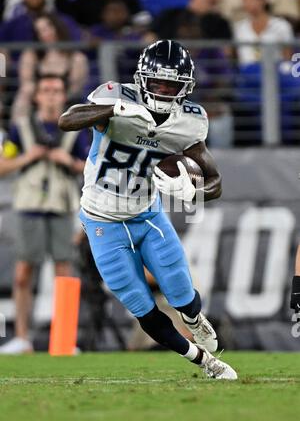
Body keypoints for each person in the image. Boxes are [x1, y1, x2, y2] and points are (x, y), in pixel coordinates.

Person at [59, 40, 238, 379]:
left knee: (182, 292)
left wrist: (192, 188)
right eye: (158, 83)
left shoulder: (189, 122)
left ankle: (194, 320)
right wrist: (113, 111)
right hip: (102, 222)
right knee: (141, 306)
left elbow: (215, 182)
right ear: (142, 80)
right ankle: (205, 362)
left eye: (173, 85)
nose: (165, 90)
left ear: (185, 87)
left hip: (147, 215)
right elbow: (66, 120)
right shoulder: (115, 97)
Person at [0, 74, 88, 354]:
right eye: (46, 90)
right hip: (29, 205)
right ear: (36, 96)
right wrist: (29, 157)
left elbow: (92, 166)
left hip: (61, 205)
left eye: (56, 91)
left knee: (64, 272)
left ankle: (64, 340)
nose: (51, 96)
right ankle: (23, 338)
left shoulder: (75, 130)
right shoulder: (21, 128)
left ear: (63, 96)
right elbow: (3, 165)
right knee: (24, 271)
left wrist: (71, 162)